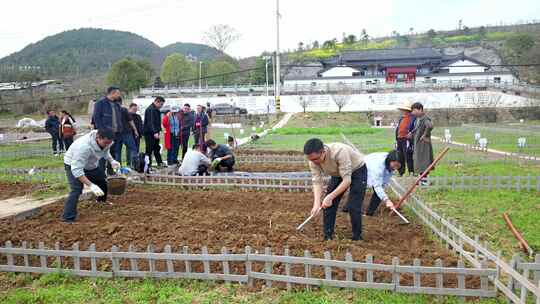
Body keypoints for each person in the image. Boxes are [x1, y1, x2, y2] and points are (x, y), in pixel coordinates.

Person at [304, 138, 366, 241]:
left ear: (323, 152)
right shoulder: (313, 161)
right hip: (337, 173)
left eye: (315, 159)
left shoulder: (339, 152)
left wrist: (330, 196)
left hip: (357, 170)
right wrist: (316, 204)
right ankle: (328, 236)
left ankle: (357, 237)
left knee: (353, 206)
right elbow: (317, 182)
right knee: (328, 204)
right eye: (310, 160)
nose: (314, 162)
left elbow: (347, 180)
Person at [62, 128, 120, 223]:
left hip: (90, 165)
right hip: (72, 164)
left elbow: (106, 151)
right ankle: (67, 218)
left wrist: (112, 161)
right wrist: (91, 185)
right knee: (76, 189)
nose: (108, 144)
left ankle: (101, 202)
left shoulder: (107, 142)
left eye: (109, 143)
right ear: (98, 138)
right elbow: (77, 170)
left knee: (102, 181)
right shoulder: (84, 147)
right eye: (106, 142)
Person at [364, 150, 402, 216]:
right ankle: (347, 209)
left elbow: (384, 180)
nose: (395, 168)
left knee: (379, 193)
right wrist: (387, 200)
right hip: (365, 167)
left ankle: (369, 213)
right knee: (359, 188)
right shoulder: (378, 166)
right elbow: (377, 185)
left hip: (377, 168)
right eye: (394, 165)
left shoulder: (390, 163)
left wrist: (384, 196)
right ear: (390, 161)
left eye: (398, 165)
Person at [411, 102, 434, 185]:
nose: (413, 112)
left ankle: (424, 181)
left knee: (424, 162)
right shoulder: (418, 119)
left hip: (423, 145)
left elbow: (430, 126)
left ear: (420, 109)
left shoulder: (425, 118)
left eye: (414, 110)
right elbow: (417, 128)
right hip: (418, 144)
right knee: (419, 161)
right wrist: (411, 133)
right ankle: (422, 179)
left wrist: (424, 135)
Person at [114, 98, 139, 166]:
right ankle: (134, 166)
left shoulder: (111, 110)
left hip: (116, 133)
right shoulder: (124, 109)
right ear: (121, 102)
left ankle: (118, 168)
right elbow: (130, 121)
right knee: (133, 149)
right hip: (126, 132)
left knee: (117, 152)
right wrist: (135, 130)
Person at [143, 96, 165, 169]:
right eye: (161, 104)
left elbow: (156, 122)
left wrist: (159, 130)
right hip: (150, 133)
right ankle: (148, 165)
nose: (161, 106)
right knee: (149, 150)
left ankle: (159, 162)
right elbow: (151, 122)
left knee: (156, 148)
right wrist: (155, 132)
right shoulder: (151, 109)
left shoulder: (156, 109)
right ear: (157, 102)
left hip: (155, 132)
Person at [395, 101, 416, 176]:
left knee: (408, 156)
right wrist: (396, 140)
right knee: (400, 156)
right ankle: (401, 172)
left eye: (404, 110)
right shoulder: (402, 118)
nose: (403, 111)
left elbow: (414, 129)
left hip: (406, 140)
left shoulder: (413, 118)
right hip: (399, 139)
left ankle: (411, 171)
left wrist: (411, 137)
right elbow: (398, 129)